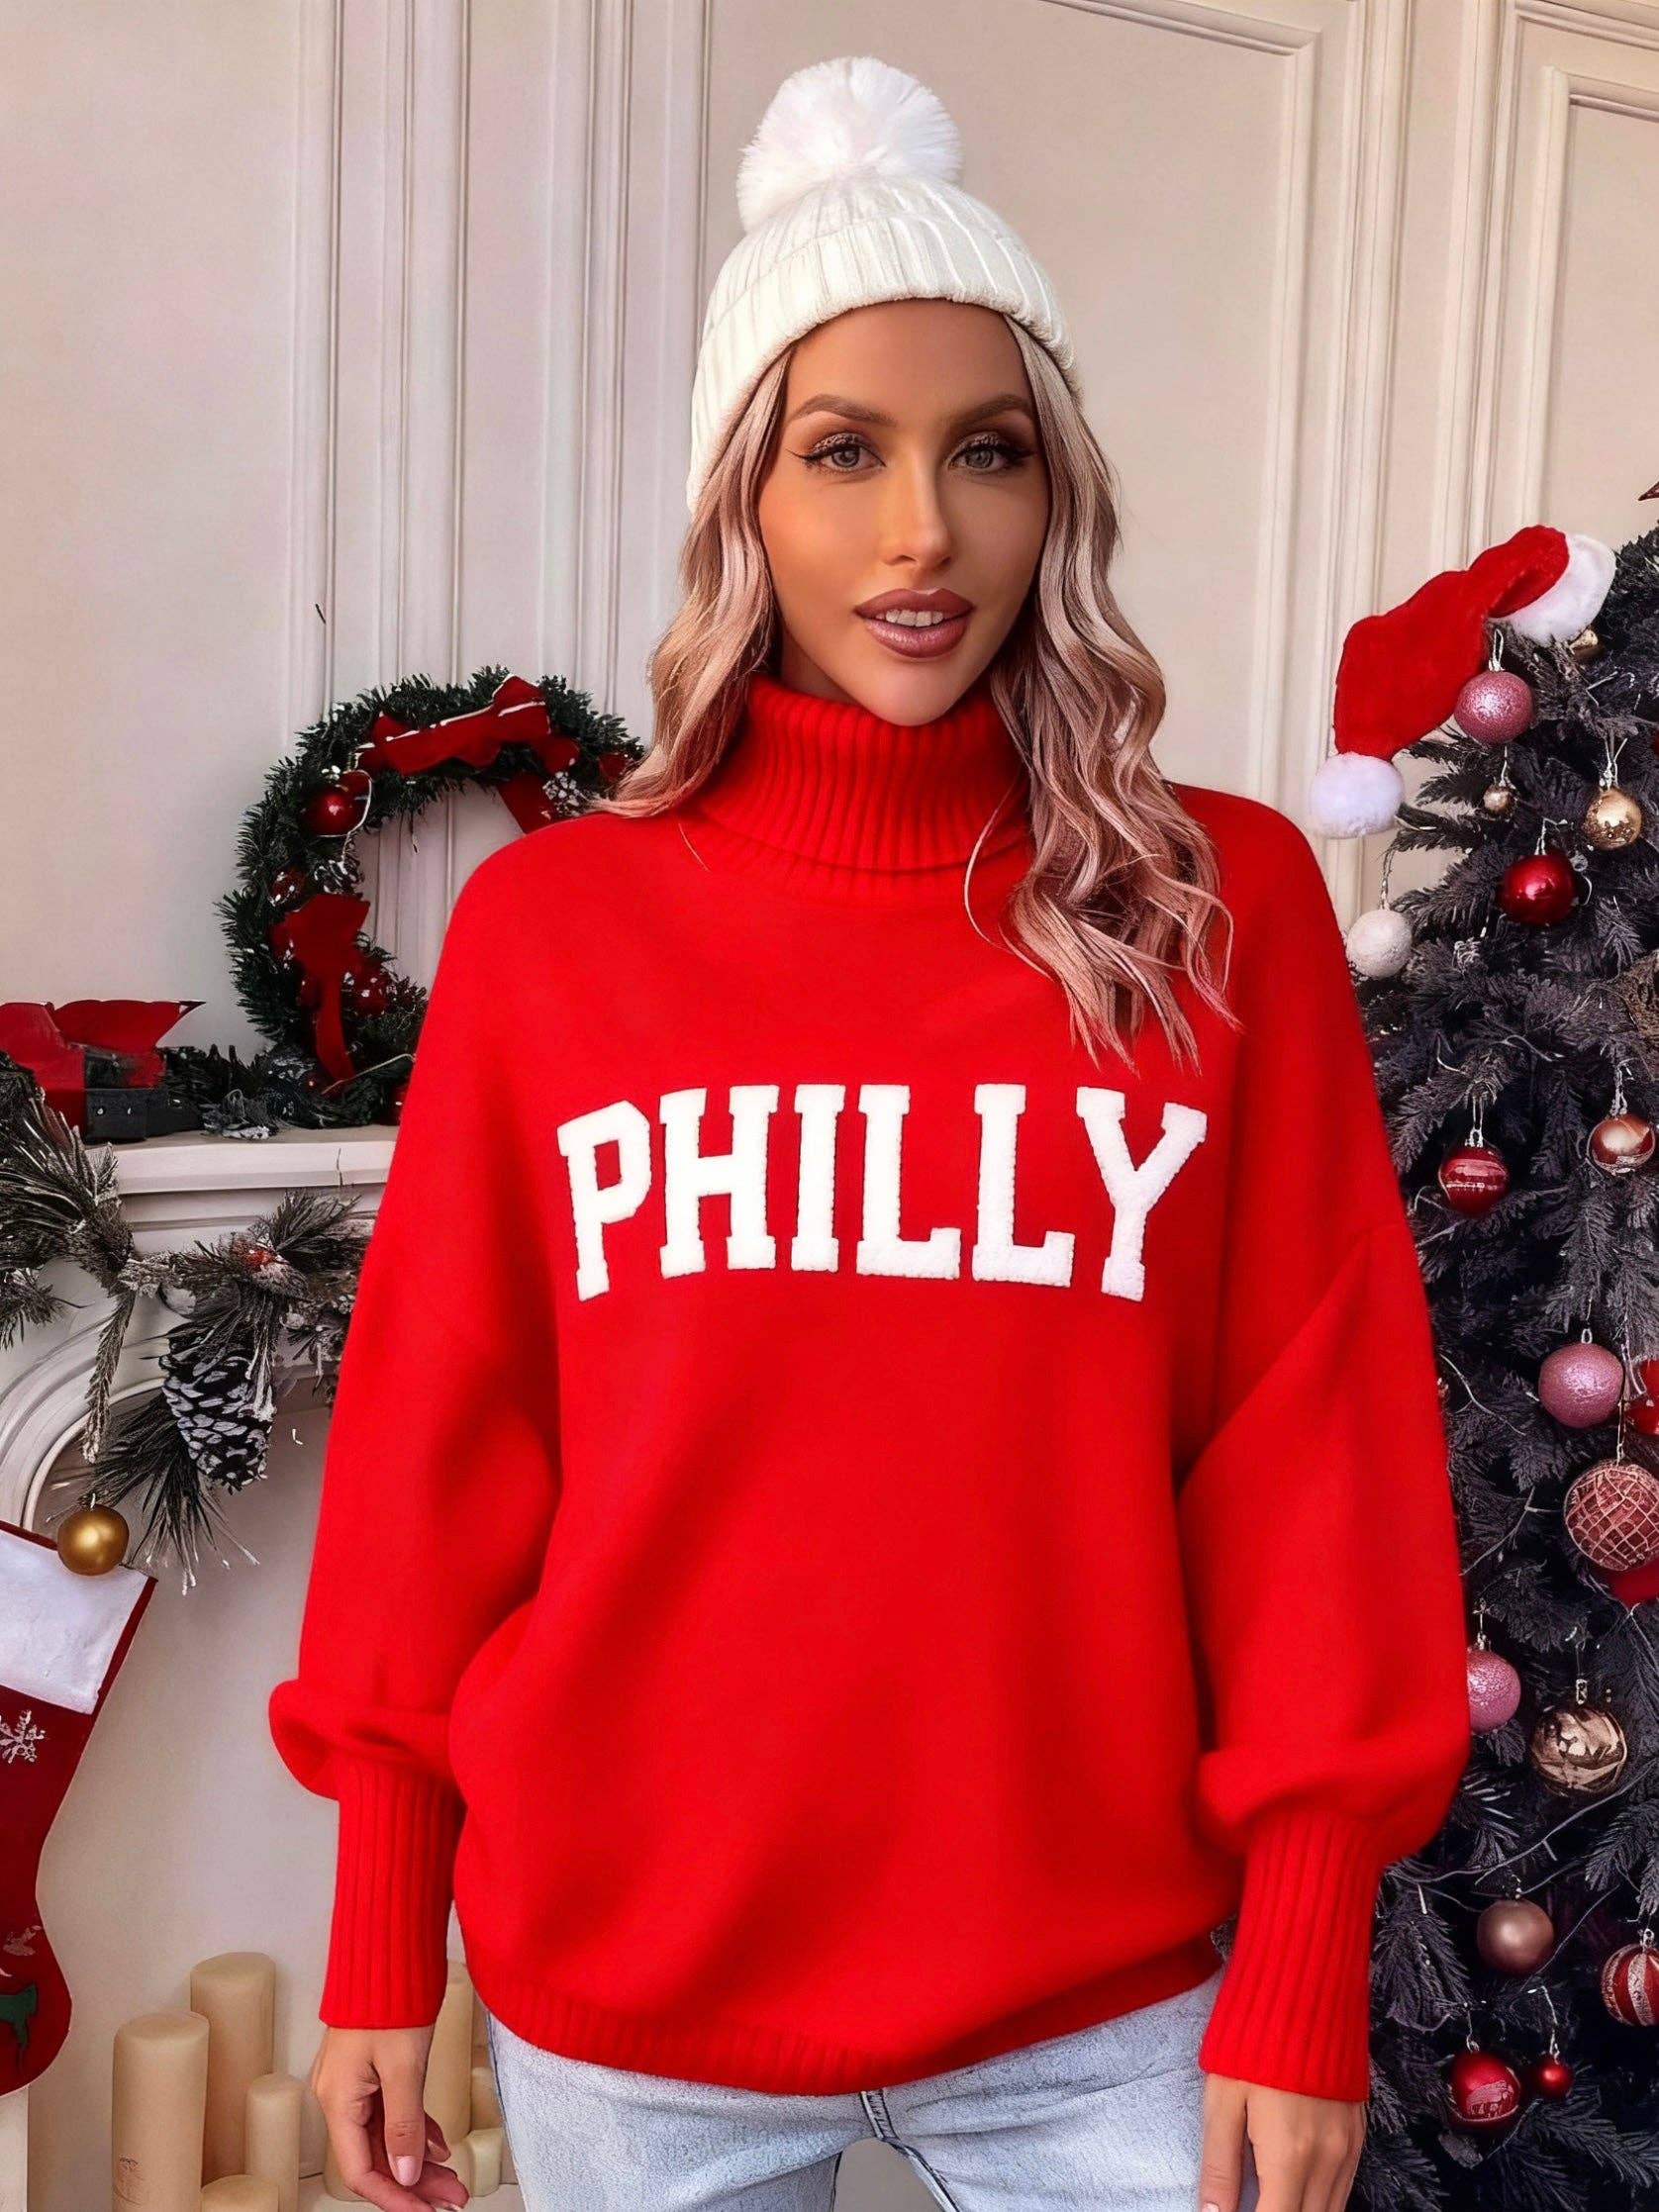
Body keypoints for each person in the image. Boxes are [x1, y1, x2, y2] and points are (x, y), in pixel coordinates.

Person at [269, 53, 1471, 2212]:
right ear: (745, 501)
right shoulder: (556, 930)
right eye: (844, 453)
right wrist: (381, 1929)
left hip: (1110, 2000)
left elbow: (1316, 1452)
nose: (923, 532)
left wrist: (1300, 1959)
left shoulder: (1220, 907)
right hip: (630, 1996)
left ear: (1052, 491)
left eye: (985, 452)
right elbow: (442, 1445)